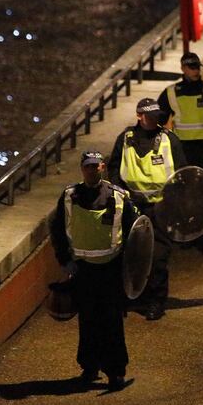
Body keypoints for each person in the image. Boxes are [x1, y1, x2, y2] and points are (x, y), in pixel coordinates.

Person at [50, 150, 139, 389]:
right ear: (82, 169)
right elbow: (57, 229)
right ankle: (89, 367)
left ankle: (115, 371)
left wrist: (130, 271)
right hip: (83, 270)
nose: (91, 170)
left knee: (111, 322)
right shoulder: (69, 196)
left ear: (103, 168)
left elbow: (135, 233)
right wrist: (64, 261)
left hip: (111, 269)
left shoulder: (119, 197)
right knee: (88, 321)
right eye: (87, 167)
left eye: (95, 166)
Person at [108, 97, 188, 320]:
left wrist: (174, 204)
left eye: (156, 116)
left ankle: (156, 301)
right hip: (130, 205)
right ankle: (130, 297)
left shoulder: (168, 139)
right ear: (139, 116)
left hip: (160, 207)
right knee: (127, 253)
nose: (153, 120)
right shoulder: (125, 138)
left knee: (158, 256)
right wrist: (122, 194)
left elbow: (181, 172)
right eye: (149, 116)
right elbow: (114, 168)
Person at [157, 51, 203, 256]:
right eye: (191, 67)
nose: (195, 70)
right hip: (182, 151)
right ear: (183, 68)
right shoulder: (170, 93)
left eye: (197, 67)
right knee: (183, 195)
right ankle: (189, 234)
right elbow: (159, 120)